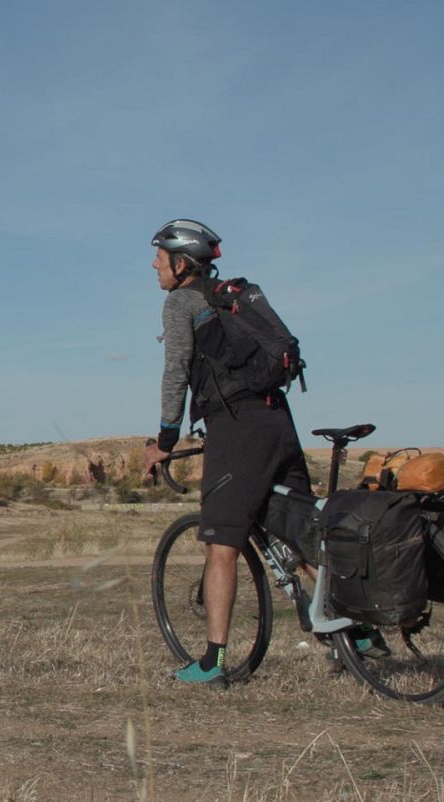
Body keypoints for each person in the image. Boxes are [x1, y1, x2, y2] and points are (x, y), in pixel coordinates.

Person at [139, 219, 317, 684]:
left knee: (221, 545)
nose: (154, 265)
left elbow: (176, 373)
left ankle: (213, 662)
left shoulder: (182, 302)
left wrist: (163, 443)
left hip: (238, 427)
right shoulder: (230, 299)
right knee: (299, 532)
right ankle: (356, 632)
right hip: (278, 419)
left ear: (182, 264)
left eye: (160, 257)